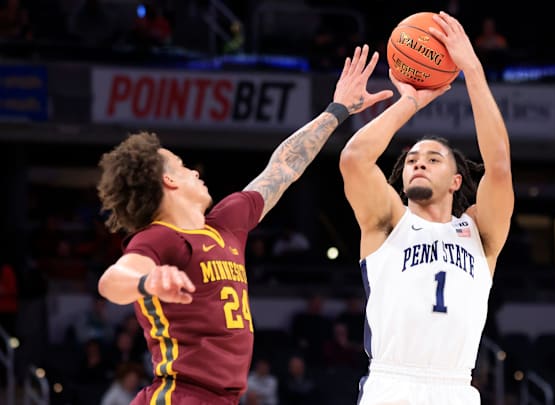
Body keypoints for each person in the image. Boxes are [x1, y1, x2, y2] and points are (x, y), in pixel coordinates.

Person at [96, 44, 392, 405]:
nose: (194, 171)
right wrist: (146, 281)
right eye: (183, 166)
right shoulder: (161, 239)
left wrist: (337, 110)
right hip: (179, 395)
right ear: (169, 182)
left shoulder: (226, 223)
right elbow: (112, 282)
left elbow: (283, 168)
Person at [339, 11, 513, 405]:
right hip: (391, 385)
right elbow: (353, 159)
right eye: (413, 158)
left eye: (434, 159)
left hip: (456, 387)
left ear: (456, 181)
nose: (419, 162)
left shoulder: (479, 235)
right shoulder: (386, 222)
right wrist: (411, 103)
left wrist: (472, 68)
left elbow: (499, 167)